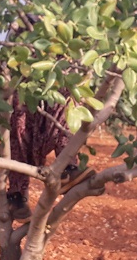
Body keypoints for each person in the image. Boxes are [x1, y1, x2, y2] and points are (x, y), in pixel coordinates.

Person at [5, 93, 92, 221]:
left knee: (66, 101)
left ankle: (68, 169)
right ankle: (16, 195)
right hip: (26, 83)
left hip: (52, 84)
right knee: (19, 114)